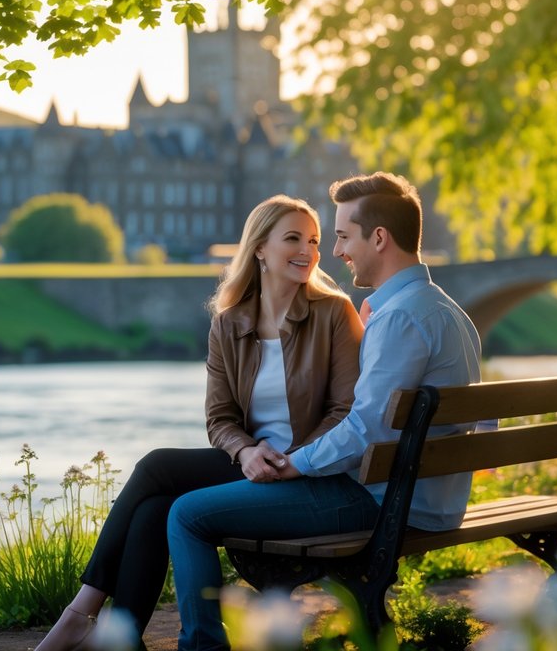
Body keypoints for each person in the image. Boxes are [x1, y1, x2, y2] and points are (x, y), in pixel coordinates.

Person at [165, 172, 482, 651]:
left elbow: (365, 427)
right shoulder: (445, 309)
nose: (334, 253)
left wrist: (294, 464)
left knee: (187, 514)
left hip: (384, 500)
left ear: (379, 237)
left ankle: (202, 647)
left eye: (340, 236)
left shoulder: (397, 317)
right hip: (431, 495)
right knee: (164, 485)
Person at [34, 195, 363, 651]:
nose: (307, 250)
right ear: (260, 249)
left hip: (308, 471)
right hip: (252, 463)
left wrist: (295, 460)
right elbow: (220, 418)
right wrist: (246, 451)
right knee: (154, 501)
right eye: (293, 238)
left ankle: (82, 615)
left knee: (155, 471)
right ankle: (120, 635)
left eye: (314, 240)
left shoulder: (333, 313)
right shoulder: (229, 323)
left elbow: (345, 412)